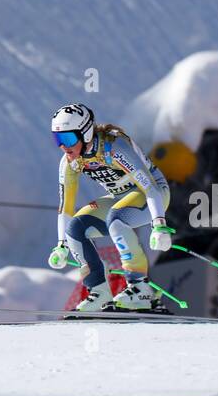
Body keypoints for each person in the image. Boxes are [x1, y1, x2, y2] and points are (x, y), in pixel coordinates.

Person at [48, 103, 174, 311]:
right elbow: (65, 208)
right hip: (120, 199)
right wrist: (61, 245)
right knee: (76, 228)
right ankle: (99, 291)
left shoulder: (113, 147)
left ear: (85, 133)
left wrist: (159, 224)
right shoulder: (70, 162)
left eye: (68, 138)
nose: (64, 146)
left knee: (116, 219)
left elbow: (150, 187)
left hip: (153, 195)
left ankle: (140, 287)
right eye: (58, 139)